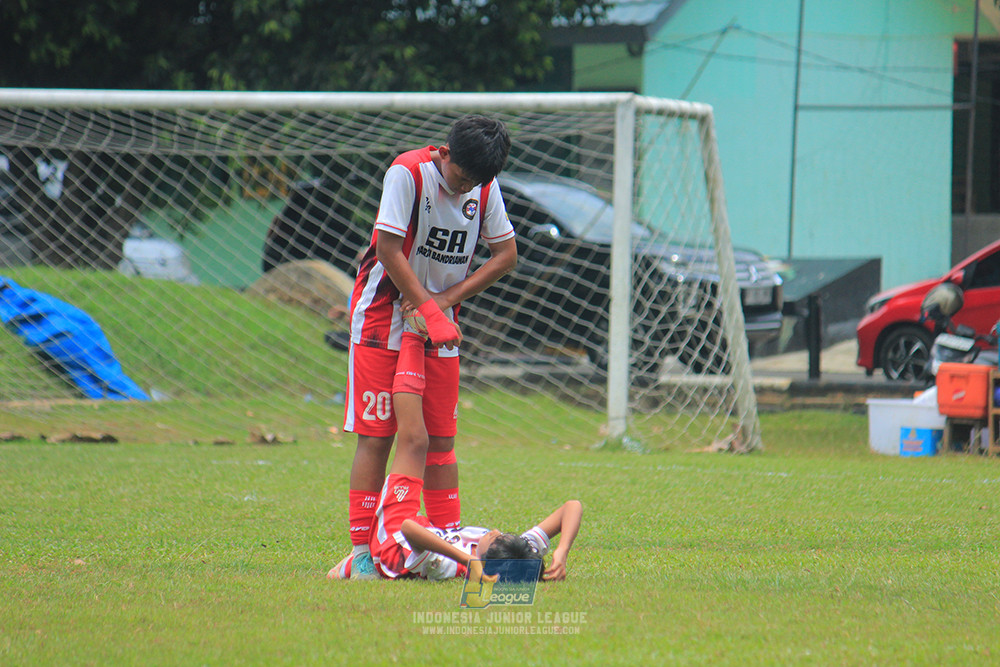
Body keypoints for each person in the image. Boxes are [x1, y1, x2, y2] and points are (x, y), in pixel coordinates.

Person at [342, 114, 518, 579]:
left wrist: (440, 305)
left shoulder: (483, 186)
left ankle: (447, 542)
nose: (466, 189)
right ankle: (363, 552)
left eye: (477, 182)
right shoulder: (407, 172)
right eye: (461, 178)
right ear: (445, 153)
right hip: (384, 317)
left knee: (441, 438)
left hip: (437, 325)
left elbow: (506, 255)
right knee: (378, 436)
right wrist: (426, 307)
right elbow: (387, 249)